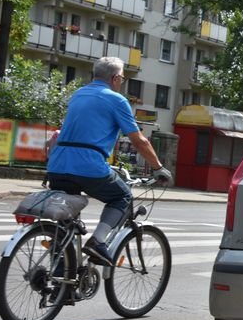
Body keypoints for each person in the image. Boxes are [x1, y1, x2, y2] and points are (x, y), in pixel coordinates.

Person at [47, 56, 172, 267]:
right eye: (122, 78)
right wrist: (159, 168)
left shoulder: (78, 94)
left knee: (65, 223)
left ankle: (59, 282)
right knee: (122, 196)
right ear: (115, 78)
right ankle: (97, 241)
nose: (121, 82)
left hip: (57, 164)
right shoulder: (116, 100)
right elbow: (139, 141)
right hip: (89, 165)